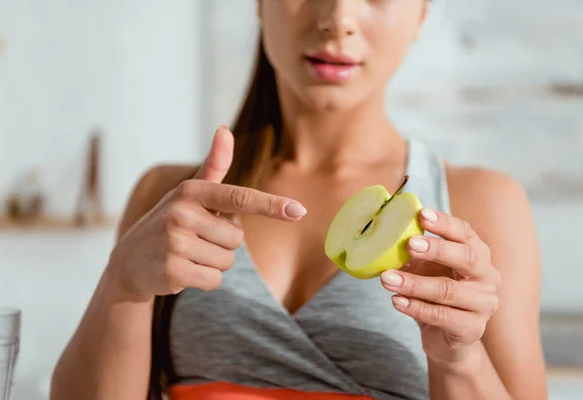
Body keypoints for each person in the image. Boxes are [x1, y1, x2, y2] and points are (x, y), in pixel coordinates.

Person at [50, 1, 548, 399]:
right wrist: (123, 283)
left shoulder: (479, 203)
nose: (338, 19)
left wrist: (458, 360)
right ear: (260, 3)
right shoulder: (168, 196)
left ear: (421, 11)